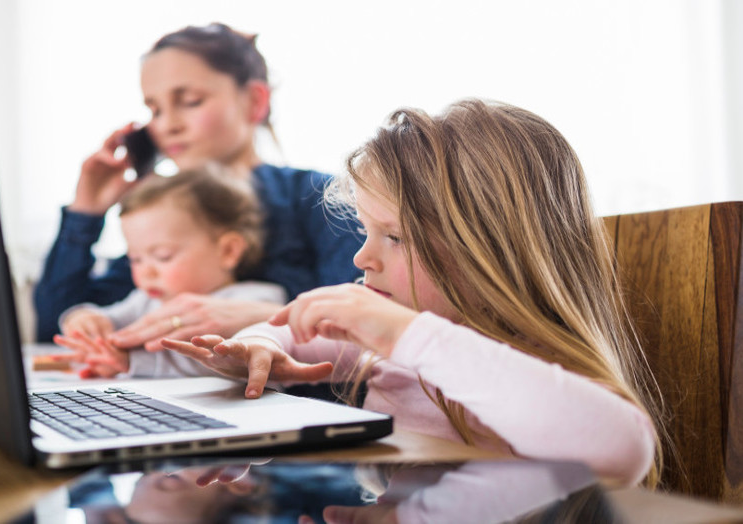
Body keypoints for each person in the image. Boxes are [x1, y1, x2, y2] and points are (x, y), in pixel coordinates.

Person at [162, 99, 665, 487]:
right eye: (365, 231)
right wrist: (263, 348)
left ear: (496, 248)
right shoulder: (395, 327)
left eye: (395, 237)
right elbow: (293, 330)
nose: (362, 259)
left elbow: (624, 450)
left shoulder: (525, 361)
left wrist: (408, 335)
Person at [33, 22, 362, 347]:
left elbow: (364, 323)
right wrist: (85, 213)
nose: (167, 125)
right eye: (155, 109)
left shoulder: (322, 198)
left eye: (190, 101)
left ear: (254, 102)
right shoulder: (169, 213)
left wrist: (263, 315)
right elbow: (53, 330)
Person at [52, 167, 286, 379]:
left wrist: (132, 362)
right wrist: (85, 320)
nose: (147, 272)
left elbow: (226, 363)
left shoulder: (258, 300)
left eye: (163, 256)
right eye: (135, 259)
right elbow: (110, 320)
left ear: (228, 251)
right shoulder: (147, 301)